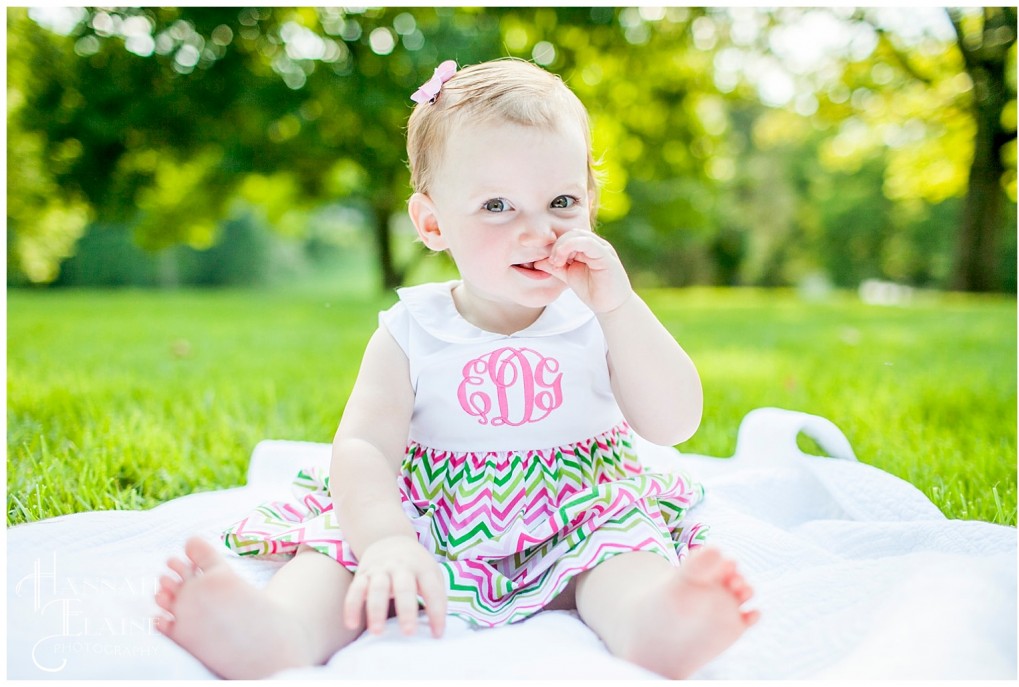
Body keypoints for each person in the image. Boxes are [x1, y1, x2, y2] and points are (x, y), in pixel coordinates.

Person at [154, 57, 758, 680]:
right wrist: (386, 539)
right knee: (341, 553)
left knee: (622, 551)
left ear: (591, 205)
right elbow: (362, 445)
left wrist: (620, 307)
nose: (538, 231)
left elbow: (675, 423)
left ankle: (655, 625)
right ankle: (278, 632)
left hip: (576, 508)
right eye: (498, 205)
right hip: (429, 511)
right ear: (433, 222)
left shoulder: (600, 315)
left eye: (561, 201)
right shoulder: (413, 331)